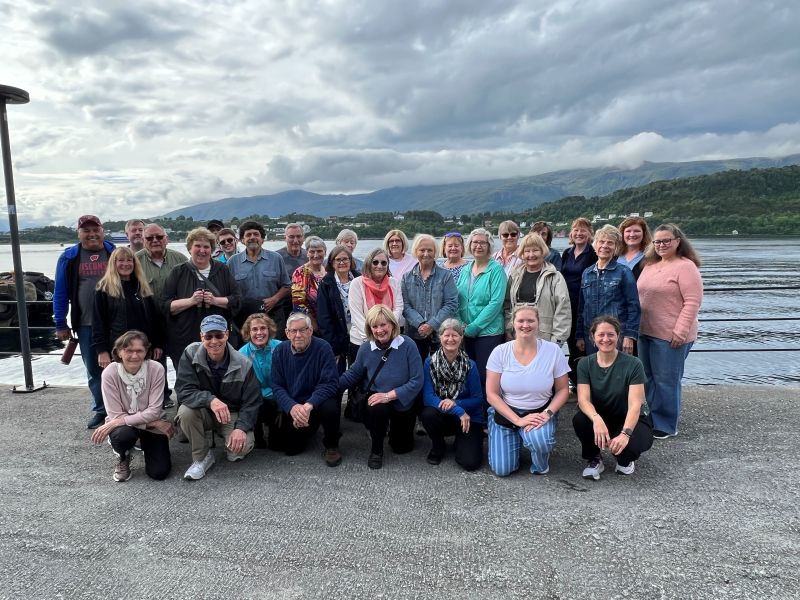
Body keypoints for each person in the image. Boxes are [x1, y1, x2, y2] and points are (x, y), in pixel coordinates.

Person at [486, 305, 570, 476]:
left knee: (539, 442)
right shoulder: (500, 352)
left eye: (531, 320)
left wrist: (547, 414)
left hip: (539, 412)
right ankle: (515, 436)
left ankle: (540, 463)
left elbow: (563, 390)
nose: (526, 325)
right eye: (521, 321)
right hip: (508, 413)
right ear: (513, 324)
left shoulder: (553, 351)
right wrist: (518, 420)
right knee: (502, 470)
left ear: (538, 323)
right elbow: (492, 394)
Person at [175, 315, 261, 480]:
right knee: (185, 412)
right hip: (204, 411)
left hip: (231, 414)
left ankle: (226, 435)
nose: (214, 341)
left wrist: (241, 428)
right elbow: (184, 390)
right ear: (201, 337)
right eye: (208, 336)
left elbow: (252, 401)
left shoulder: (244, 363)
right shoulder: (190, 353)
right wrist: (210, 400)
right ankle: (201, 457)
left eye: (219, 335)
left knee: (238, 452)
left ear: (227, 335)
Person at [637, 224, 703, 439]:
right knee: (648, 377)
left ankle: (666, 424)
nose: (661, 245)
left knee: (667, 379)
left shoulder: (686, 267)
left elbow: (692, 302)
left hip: (670, 334)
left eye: (666, 241)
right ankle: (652, 416)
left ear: (678, 241)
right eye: (657, 241)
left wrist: (680, 331)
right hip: (645, 331)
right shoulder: (649, 265)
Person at [340, 305, 423, 469]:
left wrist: (389, 395)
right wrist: (330, 386)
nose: (379, 330)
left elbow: (417, 380)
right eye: (375, 326)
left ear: (392, 324)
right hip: (378, 398)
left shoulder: (408, 345)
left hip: (402, 398)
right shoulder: (365, 348)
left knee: (401, 448)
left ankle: (394, 430)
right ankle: (376, 450)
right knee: (377, 408)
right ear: (370, 328)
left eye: (383, 325)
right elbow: (353, 374)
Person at [54, 214, 115, 428]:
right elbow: (60, 292)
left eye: (95, 229)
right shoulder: (69, 257)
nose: (91, 234)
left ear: (102, 231)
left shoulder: (114, 253)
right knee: (94, 369)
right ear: (79, 233)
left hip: (116, 323)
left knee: (122, 366)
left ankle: (121, 411)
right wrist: (60, 323)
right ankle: (101, 409)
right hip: (86, 323)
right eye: (86, 230)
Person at [574, 316, 653, 480]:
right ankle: (594, 457)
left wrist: (625, 434)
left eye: (611, 334)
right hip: (602, 416)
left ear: (618, 336)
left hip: (630, 418)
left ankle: (626, 460)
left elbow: (635, 405)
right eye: (601, 335)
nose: (605, 339)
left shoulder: (633, 364)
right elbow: (583, 400)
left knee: (629, 447)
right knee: (580, 420)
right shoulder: (585, 364)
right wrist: (596, 419)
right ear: (593, 338)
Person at [91, 331, 174, 482]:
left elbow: (155, 411)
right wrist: (152, 422)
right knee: (123, 435)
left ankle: (140, 442)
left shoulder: (156, 369)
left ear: (146, 352)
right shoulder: (109, 373)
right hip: (129, 426)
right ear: (118, 352)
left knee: (159, 472)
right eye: (128, 350)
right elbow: (116, 415)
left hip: (143, 423)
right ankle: (123, 455)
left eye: (139, 351)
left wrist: (115, 422)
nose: (134, 356)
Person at [161, 228, 241, 369]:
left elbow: (237, 300)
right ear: (189, 248)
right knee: (188, 379)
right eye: (197, 246)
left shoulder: (222, 270)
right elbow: (165, 305)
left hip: (216, 338)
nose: (202, 250)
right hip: (184, 337)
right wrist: (191, 301)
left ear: (212, 249)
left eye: (206, 247)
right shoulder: (178, 271)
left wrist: (216, 301)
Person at [271, 313, 342, 466]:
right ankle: (309, 427)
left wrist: (309, 406)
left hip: (316, 403)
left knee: (331, 407)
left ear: (310, 331)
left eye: (303, 330)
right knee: (289, 449)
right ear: (287, 333)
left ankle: (331, 445)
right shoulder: (280, 351)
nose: (298, 335)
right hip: (295, 404)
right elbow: (277, 386)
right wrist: (292, 407)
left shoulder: (323, 347)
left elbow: (330, 383)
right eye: (293, 331)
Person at [91, 247, 165, 381]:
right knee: (120, 384)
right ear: (114, 263)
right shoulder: (104, 289)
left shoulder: (141, 286)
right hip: (118, 347)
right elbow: (98, 322)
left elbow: (154, 319)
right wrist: (101, 350)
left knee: (145, 383)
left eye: (129, 260)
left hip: (143, 347)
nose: (126, 264)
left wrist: (158, 343)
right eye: (121, 260)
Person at [420, 319, 484, 471]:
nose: (450, 339)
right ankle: (438, 445)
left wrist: (456, 403)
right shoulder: (430, 362)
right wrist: (457, 409)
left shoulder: (470, 365)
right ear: (440, 337)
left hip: (469, 418)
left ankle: (461, 441)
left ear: (461, 338)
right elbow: (428, 397)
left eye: (455, 335)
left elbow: (478, 399)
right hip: (448, 414)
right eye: (446, 335)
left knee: (470, 463)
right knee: (428, 413)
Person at [135, 223, 188, 407]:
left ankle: (186, 402)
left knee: (183, 364)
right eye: (150, 238)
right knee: (154, 365)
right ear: (143, 241)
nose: (155, 241)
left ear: (166, 238)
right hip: (148, 323)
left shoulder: (180, 259)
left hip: (177, 321)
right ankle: (159, 402)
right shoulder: (135, 261)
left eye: (159, 237)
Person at [575, 225, 640, 356]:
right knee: (595, 372)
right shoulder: (586, 273)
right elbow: (582, 308)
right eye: (601, 242)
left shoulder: (624, 272)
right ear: (595, 245)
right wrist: (579, 335)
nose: (605, 246)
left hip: (616, 335)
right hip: (591, 335)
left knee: (617, 373)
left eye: (610, 243)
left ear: (616, 248)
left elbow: (633, 306)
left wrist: (630, 335)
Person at [456, 228, 507, 398]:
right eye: (475, 242)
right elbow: (458, 299)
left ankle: (487, 416)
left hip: (488, 332)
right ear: (469, 245)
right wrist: (461, 324)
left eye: (482, 242)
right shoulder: (465, 269)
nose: (478, 245)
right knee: (470, 375)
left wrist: (474, 327)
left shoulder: (496, 270)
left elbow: (496, 303)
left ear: (489, 246)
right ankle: (474, 414)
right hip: (465, 330)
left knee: (486, 375)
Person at [503, 232, 571, 345]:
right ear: (522, 254)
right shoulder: (514, 276)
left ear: (543, 252)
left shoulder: (555, 277)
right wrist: (509, 329)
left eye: (535, 250)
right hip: (518, 337)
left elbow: (563, 310)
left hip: (546, 339)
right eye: (527, 251)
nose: (531, 255)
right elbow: (507, 305)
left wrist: (557, 340)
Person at [401, 234, 459, 361]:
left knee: (439, 372)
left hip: (440, 334)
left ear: (435, 252)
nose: (426, 253)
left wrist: (432, 325)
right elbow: (405, 305)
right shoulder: (406, 278)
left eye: (430, 250)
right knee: (416, 371)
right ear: (416, 252)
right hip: (414, 334)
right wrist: (420, 323)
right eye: (422, 250)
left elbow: (451, 304)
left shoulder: (446, 276)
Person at [227, 220, 290, 333]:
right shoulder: (233, 262)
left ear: (262, 239)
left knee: (275, 348)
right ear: (242, 240)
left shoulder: (276, 258)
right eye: (248, 235)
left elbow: (286, 285)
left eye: (256, 234)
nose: (252, 237)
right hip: (244, 317)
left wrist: (274, 299)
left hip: (273, 314)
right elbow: (228, 291)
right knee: (246, 349)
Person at [560, 218, 598, 384]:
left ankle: (583, 383)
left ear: (590, 233)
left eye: (583, 230)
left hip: (584, 305)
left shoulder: (593, 254)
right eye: (576, 230)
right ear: (571, 233)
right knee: (571, 343)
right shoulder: (567, 253)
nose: (579, 233)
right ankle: (574, 381)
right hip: (566, 305)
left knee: (582, 344)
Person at [238, 313, 282, 450]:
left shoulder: (281, 347)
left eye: (263, 328)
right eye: (254, 329)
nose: (259, 333)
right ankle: (257, 433)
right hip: (256, 401)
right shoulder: (241, 354)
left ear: (269, 330)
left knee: (278, 446)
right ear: (248, 332)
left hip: (280, 399)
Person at [348, 247, 404, 351]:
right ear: (369, 263)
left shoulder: (394, 283)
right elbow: (357, 315)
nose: (379, 266)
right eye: (375, 262)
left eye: (384, 263)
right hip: (362, 341)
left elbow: (398, 308)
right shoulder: (357, 283)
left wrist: (387, 332)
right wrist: (373, 337)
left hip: (389, 339)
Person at [317, 245, 360, 375]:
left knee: (358, 373)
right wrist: (333, 346)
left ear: (351, 261)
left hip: (358, 336)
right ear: (332, 262)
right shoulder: (326, 283)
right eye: (338, 259)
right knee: (337, 376)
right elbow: (324, 317)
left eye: (345, 259)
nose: (342, 262)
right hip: (337, 337)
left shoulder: (360, 279)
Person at [277, 223, 308, 336]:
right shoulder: (277, 257)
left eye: (299, 236)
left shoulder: (309, 256)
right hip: (282, 309)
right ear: (285, 238)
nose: (295, 240)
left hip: (305, 309)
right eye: (291, 237)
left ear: (303, 238)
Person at [291, 236, 327, 332]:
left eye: (319, 251)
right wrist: (314, 326)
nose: (316, 255)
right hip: (309, 326)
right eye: (312, 251)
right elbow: (298, 303)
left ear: (325, 252)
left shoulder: (328, 271)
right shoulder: (300, 273)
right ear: (307, 253)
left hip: (329, 323)